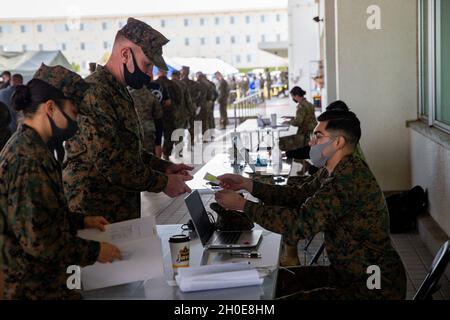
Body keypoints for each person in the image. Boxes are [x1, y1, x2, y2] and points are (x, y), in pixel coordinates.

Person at [214, 110, 407, 300]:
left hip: (372, 286)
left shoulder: (348, 179)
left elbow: (299, 224)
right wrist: (248, 185)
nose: (310, 142)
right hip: (347, 273)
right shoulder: (333, 170)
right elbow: (298, 195)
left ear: (338, 142)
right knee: (274, 281)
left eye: (318, 136)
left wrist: (243, 205)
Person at [0, 64, 122, 300]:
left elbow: (36, 215)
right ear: (50, 107)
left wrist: (81, 221)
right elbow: (39, 240)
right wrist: (95, 252)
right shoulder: (28, 159)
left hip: (43, 282)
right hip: (32, 288)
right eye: (74, 111)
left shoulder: (31, 146)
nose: (77, 120)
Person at [63, 18, 193, 223]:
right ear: (125, 54)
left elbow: (126, 149)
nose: (150, 75)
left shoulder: (118, 91)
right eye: (147, 65)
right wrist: (163, 182)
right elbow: (111, 162)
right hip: (94, 214)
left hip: (118, 209)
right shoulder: (94, 93)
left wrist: (163, 166)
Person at [155, 68, 183, 160]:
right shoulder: (174, 84)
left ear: (158, 72)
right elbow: (179, 100)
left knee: (156, 135)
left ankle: (155, 154)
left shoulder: (153, 84)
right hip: (169, 114)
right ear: (166, 73)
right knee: (168, 135)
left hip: (155, 114)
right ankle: (166, 154)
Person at [279, 86, 317, 152]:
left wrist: (288, 122)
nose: (293, 98)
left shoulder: (301, 107)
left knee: (282, 143)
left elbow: (297, 122)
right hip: (313, 132)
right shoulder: (309, 104)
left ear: (296, 96)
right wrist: (290, 118)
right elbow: (305, 117)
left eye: (293, 96)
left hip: (306, 134)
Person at [129, 84, 163, 154]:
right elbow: (158, 119)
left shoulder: (129, 96)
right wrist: (158, 143)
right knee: (149, 156)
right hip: (149, 131)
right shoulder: (152, 96)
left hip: (133, 131)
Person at [171, 70, 195, 156]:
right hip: (181, 113)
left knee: (169, 131)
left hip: (168, 113)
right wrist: (191, 111)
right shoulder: (183, 85)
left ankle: (167, 151)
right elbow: (188, 100)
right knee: (179, 132)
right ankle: (178, 151)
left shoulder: (167, 84)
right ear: (179, 76)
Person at [180, 66, 203, 145]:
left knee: (181, 126)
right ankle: (191, 141)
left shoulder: (179, 83)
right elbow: (200, 96)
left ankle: (180, 144)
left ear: (182, 72)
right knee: (192, 125)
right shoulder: (195, 84)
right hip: (192, 107)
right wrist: (197, 106)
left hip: (182, 108)